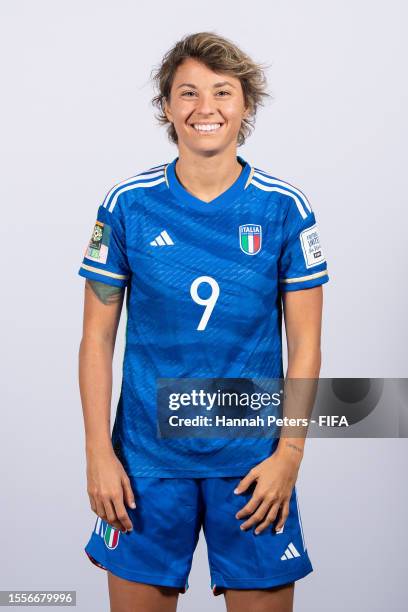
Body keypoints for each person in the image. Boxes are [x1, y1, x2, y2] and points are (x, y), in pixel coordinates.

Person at [78, 31, 329, 612]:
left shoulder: (283, 207)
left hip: (252, 467)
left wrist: (289, 453)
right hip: (144, 466)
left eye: (223, 92)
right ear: (167, 107)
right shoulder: (127, 206)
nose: (205, 108)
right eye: (187, 93)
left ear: (246, 105)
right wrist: (98, 453)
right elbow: (95, 341)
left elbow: (307, 345)